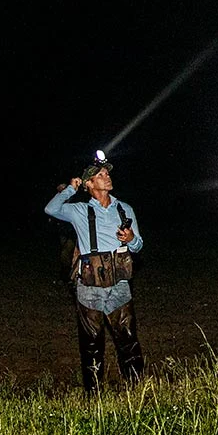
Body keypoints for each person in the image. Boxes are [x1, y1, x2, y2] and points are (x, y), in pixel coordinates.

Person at [44, 157, 144, 392]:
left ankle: (136, 389)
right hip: (90, 285)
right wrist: (71, 188)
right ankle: (94, 394)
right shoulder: (79, 210)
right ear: (88, 184)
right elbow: (50, 209)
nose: (107, 176)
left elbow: (138, 246)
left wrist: (131, 239)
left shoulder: (125, 209)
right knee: (91, 343)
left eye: (107, 173)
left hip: (119, 283)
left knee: (128, 339)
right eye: (99, 175)